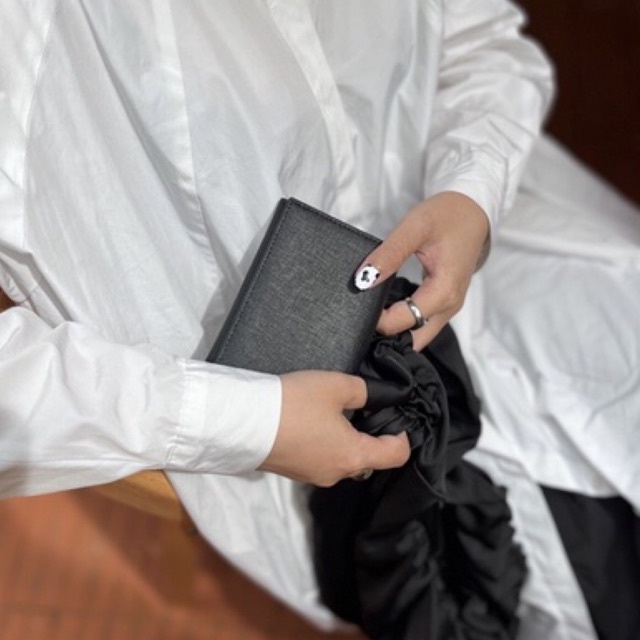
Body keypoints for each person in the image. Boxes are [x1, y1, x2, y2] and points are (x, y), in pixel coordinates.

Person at [2, 1, 639, 638]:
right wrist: (245, 421)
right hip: (278, 448)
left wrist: (473, 189)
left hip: (502, 258)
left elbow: (481, 39)